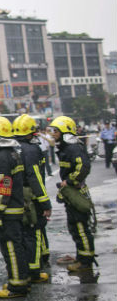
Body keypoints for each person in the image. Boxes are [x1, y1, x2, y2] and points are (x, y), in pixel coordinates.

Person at [0, 116, 29, 298]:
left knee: (11, 248)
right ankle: (19, 280)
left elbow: (3, 186)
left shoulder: (2, 157)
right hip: (14, 209)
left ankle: (17, 287)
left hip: (8, 212)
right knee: (16, 247)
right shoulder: (10, 153)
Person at [49, 115, 97, 272]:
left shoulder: (73, 148)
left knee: (81, 227)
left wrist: (69, 181)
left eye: (56, 131)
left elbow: (84, 167)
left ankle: (86, 262)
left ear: (64, 131)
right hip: (70, 194)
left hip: (76, 193)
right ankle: (82, 258)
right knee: (75, 227)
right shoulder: (65, 148)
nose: (53, 134)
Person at [13, 114, 52, 281]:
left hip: (16, 198)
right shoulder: (31, 150)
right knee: (34, 230)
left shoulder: (12, 149)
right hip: (31, 197)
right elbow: (35, 178)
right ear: (31, 132)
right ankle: (35, 270)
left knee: (22, 232)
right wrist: (45, 203)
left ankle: (40, 258)